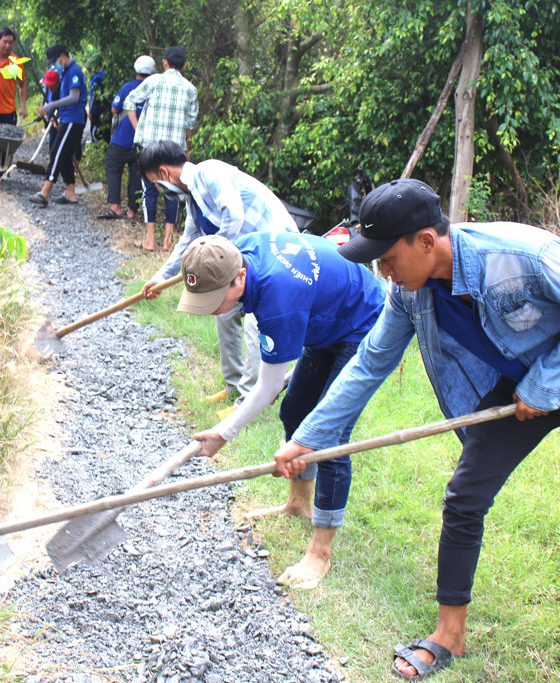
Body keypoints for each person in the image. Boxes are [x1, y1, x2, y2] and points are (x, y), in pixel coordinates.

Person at [272, 179, 560, 682]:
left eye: (386, 258)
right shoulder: (408, 294)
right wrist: (310, 437)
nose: (381, 270)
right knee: (464, 496)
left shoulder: (522, 255)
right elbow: (369, 364)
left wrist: (546, 381)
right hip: (520, 383)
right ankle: (449, 634)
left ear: (426, 242)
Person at [177, 232, 386, 589]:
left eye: (214, 299)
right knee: (295, 411)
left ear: (240, 278)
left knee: (328, 435)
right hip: (324, 322)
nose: (210, 309)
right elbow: (275, 385)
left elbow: (267, 386)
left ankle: (319, 553)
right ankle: (298, 504)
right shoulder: (233, 253)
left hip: (361, 322)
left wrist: (222, 433)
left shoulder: (279, 296)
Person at [137, 140, 297, 407]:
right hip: (243, 257)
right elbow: (188, 241)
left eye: (154, 182)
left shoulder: (210, 172)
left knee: (256, 323)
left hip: (276, 251)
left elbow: (233, 218)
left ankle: (247, 401)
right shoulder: (192, 197)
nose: (158, 188)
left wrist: (212, 260)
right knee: (225, 311)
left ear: (164, 173)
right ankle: (233, 386)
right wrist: (160, 279)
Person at [123, 46, 198, 252]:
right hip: (175, 150)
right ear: (184, 65)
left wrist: (139, 128)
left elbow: (129, 100)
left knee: (149, 191)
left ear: (164, 62)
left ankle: (150, 241)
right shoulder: (190, 89)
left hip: (151, 146)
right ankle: (167, 242)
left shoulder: (153, 81)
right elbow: (190, 124)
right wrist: (188, 150)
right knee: (172, 190)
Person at [28, 45, 87, 207]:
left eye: (55, 61)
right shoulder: (65, 72)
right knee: (66, 156)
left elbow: (74, 97)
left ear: (62, 56)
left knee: (57, 153)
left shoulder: (74, 71)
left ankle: (44, 193)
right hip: (65, 118)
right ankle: (71, 194)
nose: (55, 65)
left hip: (73, 119)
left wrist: (50, 106)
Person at [96, 55, 154, 220]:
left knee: (113, 165)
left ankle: (115, 207)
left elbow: (115, 109)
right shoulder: (154, 89)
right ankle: (132, 211)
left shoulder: (128, 87)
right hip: (144, 140)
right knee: (137, 172)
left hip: (123, 138)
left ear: (136, 71)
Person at [86, 56, 107, 143]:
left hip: (96, 110)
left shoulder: (96, 78)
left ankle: (97, 148)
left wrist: (90, 111)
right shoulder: (103, 75)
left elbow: (94, 95)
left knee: (95, 132)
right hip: (102, 109)